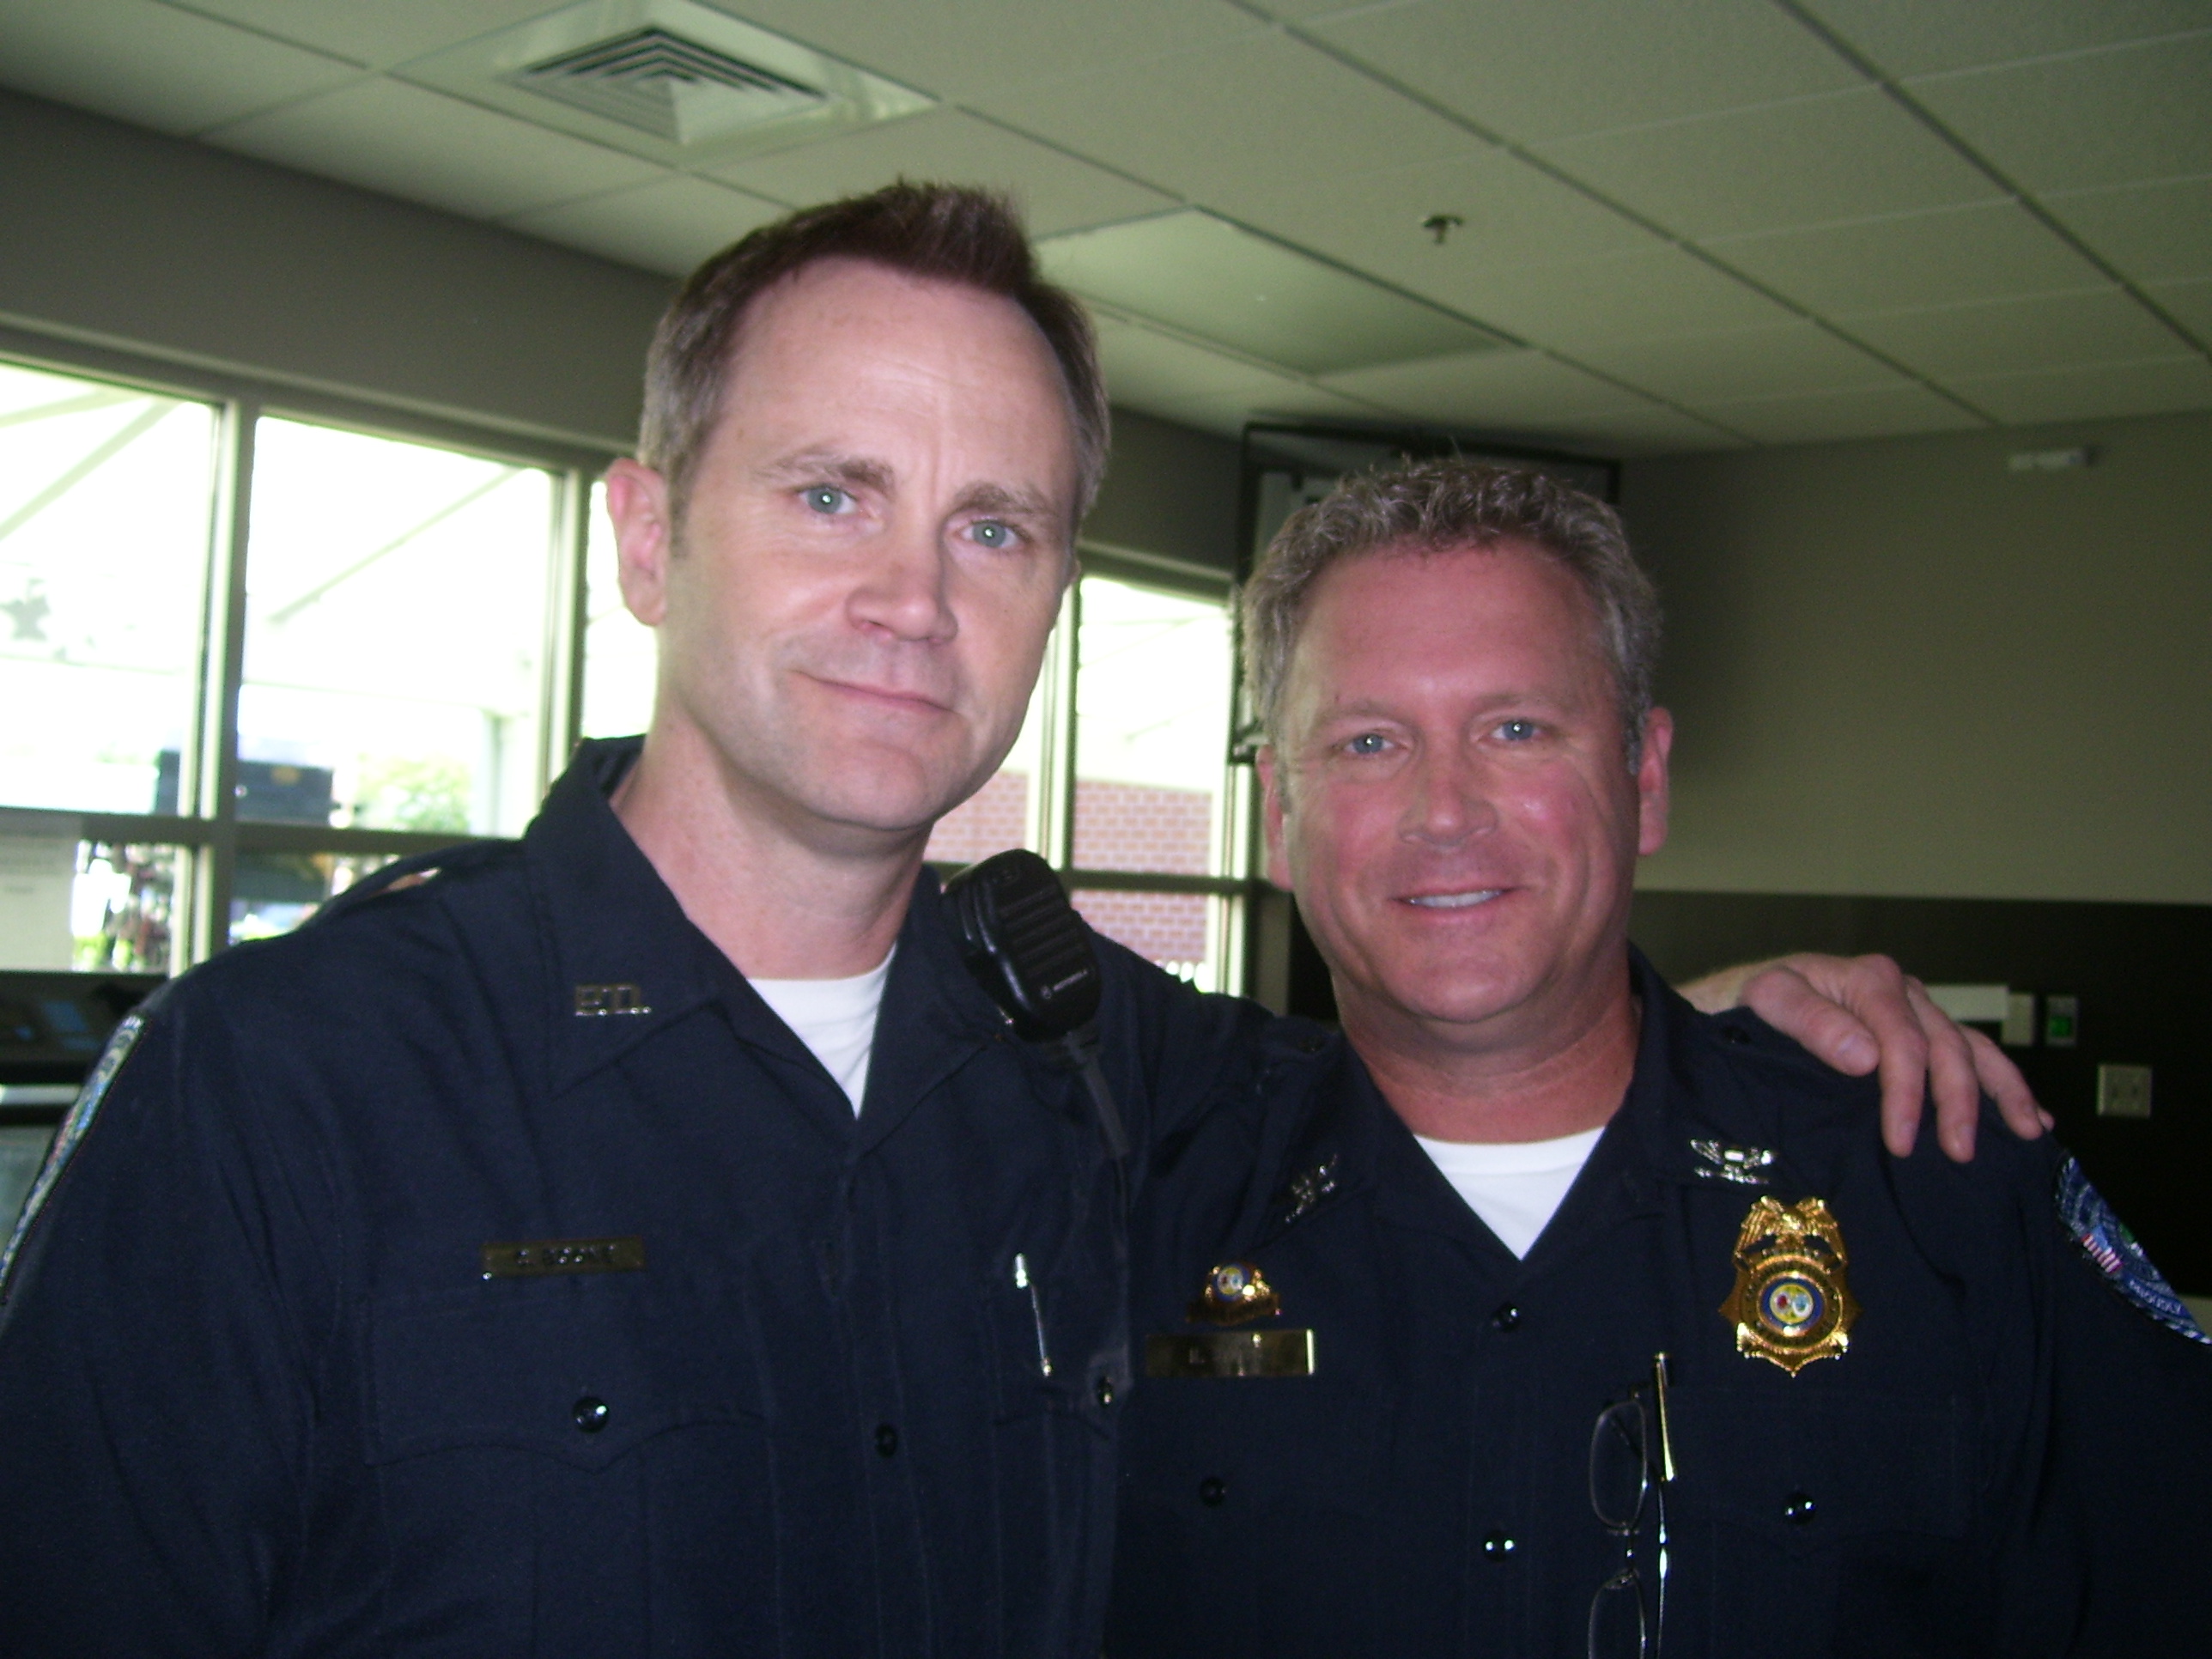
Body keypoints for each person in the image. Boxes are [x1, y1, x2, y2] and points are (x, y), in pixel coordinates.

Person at [0, 185, 2030, 1658]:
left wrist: (1735, 1028)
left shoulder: (1097, 1073)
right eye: (828, 495)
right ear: (643, 537)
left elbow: (1466, 1044)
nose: (914, 596)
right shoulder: (280, 1094)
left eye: (994, 527)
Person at [1106, 460, 2212, 1657]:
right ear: (1279, 814)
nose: (1444, 810)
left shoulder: (1932, 1182)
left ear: (1644, 777)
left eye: (1517, 728)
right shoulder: (1132, 1207)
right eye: (1370, 742)